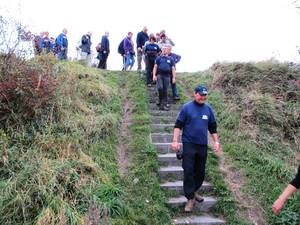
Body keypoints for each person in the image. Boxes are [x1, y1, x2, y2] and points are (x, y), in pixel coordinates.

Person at [171, 85, 220, 213]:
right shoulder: (187, 108)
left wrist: (216, 142)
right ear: (195, 93)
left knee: (200, 171)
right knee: (188, 170)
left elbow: (213, 127)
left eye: (205, 95)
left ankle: (194, 190)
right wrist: (175, 140)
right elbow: (178, 125)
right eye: (201, 94)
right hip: (189, 143)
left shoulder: (208, 109)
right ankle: (190, 198)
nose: (203, 97)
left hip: (202, 144)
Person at [152, 44, 176, 111]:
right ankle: (159, 99)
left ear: (169, 51)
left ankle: (164, 104)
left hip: (167, 76)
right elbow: (155, 67)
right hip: (160, 75)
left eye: (165, 48)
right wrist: (154, 75)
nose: (164, 50)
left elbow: (173, 69)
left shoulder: (171, 59)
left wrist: (173, 78)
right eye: (163, 48)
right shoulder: (159, 58)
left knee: (165, 90)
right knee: (160, 88)